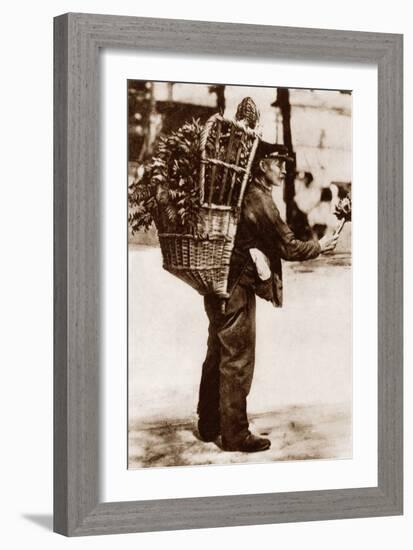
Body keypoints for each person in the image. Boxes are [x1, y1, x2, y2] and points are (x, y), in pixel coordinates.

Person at [197, 142, 339, 453]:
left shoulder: (242, 191)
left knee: (217, 353)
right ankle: (235, 435)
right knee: (238, 360)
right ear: (261, 164)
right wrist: (320, 246)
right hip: (236, 288)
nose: (284, 169)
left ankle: (208, 424)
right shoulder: (259, 198)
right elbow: (287, 245)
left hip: (217, 282)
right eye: (278, 162)